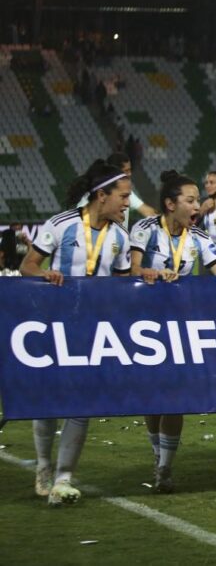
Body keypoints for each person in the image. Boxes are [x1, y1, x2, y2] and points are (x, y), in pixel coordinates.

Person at [20, 160, 133, 506]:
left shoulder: (120, 236)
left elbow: (123, 281)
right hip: (53, 324)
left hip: (91, 328)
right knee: (48, 401)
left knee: (80, 403)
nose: (127, 203)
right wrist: (46, 276)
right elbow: (28, 266)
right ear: (102, 195)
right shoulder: (60, 224)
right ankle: (43, 466)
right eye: (123, 197)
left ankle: (63, 477)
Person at [129, 170, 216, 493]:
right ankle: (157, 453)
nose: (197, 205)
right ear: (169, 203)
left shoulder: (201, 238)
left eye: (197, 200)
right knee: (153, 400)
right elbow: (132, 270)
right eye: (190, 200)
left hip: (181, 327)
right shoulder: (146, 230)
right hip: (145, 326)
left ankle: (164, 468)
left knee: (174, 398)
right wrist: (149, 272)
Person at [76, 151, 156, 228]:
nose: (130, 174)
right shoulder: (89, 200)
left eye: (130, 170)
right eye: (126, 171)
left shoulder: (125, 192)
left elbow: (148, 211)